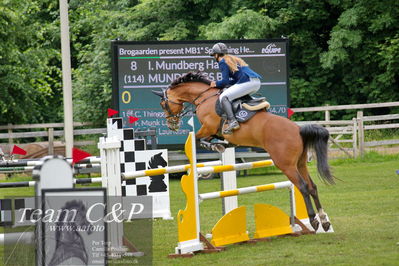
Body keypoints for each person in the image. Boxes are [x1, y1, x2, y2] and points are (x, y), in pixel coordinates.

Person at [209, 42, 263, 134]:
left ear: (217, 54)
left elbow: (225, 81)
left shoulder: (222, 62)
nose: (214, 57)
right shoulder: (233, 59)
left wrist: (216, 83)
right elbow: (235, 81)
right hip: (256, 82)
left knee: (223, 97)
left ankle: (233, 121)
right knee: (236, 96)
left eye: (214, 55)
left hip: (247, 83)